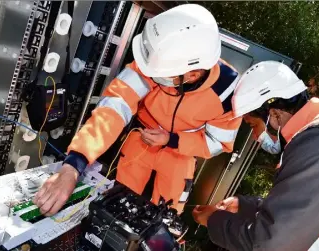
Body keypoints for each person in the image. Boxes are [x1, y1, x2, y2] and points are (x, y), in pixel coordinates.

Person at [34, 4, 242, 216]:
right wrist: (73, 165)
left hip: (181, 153)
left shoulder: (228, 92)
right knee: (117, 202)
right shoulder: (156, 62)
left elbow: (217, 143)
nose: (150, 76)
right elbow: (114, 107)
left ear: (193, 74)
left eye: (160, 76)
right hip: (142, 138)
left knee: (168, 215)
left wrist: (172, 140)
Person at [193, 61, 319, 251]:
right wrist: (246, 206)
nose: (255, 137)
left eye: (253, 126)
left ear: (275, 115)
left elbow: (273, 244)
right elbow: (304, 207)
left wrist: (214, 220)